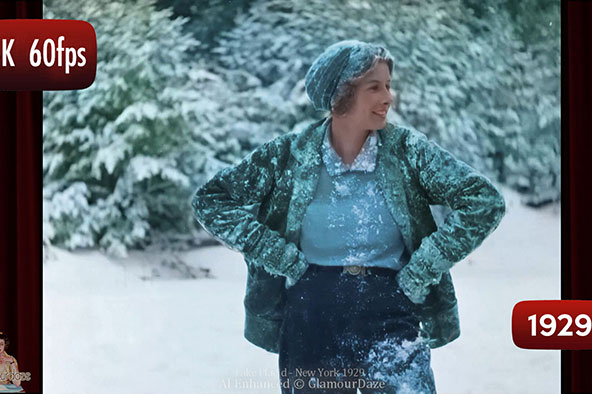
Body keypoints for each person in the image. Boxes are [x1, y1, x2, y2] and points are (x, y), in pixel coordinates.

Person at [191, 40, 505, 393]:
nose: (388, 97)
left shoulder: (407, 152)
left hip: (390, 306)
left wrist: (421, 271)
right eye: (375, 87)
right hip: (311, 310)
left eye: (388, 86)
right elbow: (211, 200)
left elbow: (483, 201)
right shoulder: (288, 156)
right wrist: (278, 255)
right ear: (341, 93)